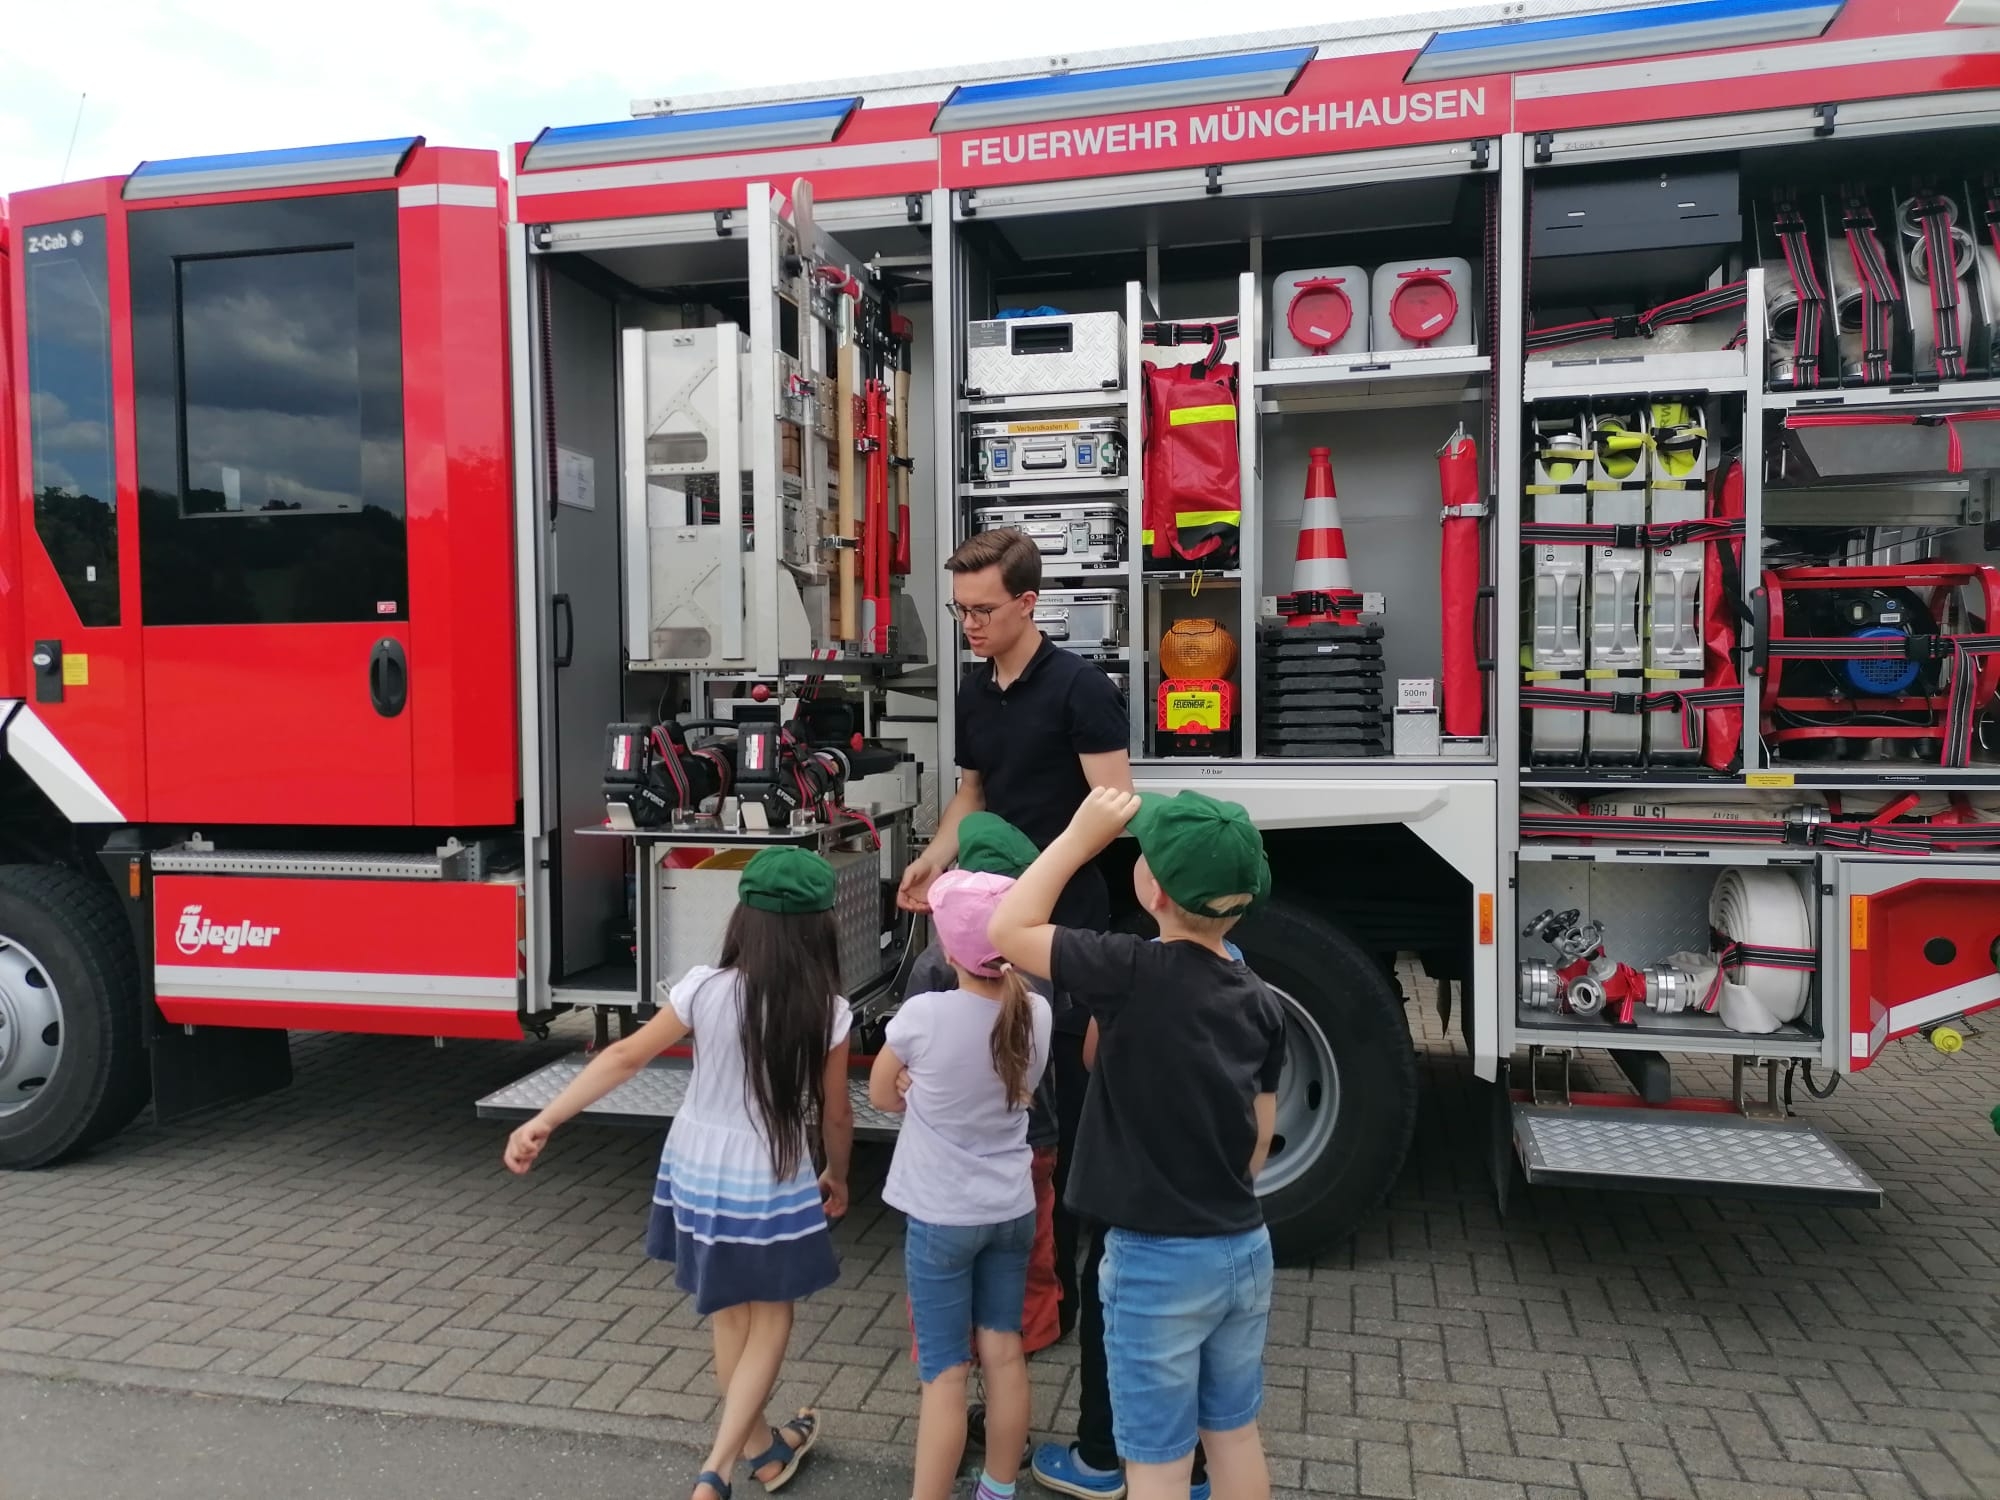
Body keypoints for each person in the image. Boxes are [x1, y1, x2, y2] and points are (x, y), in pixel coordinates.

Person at [503, 847, 854, 1500]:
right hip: (768, 1168)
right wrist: (838, 1172)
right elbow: (835, 1112)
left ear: (743, 921)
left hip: (695, 1166)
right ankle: (717, 1468)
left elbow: (625, 1056)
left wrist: (544, 1119)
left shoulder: (703, 986)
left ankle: (766, 1453)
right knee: (772, 1317)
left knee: (727, 1314)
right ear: (820, 930)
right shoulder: (829, 1010)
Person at [895, 526, 1132, 1484]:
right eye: (960, 613)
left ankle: (1056, 1309)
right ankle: (1014, 1319)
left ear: (1030, 603)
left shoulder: (1083, 688)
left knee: (1059, 1141)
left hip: (1057, 936)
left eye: (984, 611)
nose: (970, 628)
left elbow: (1113, 804)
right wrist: (936, 853)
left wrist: (1027, 892)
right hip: (985, 931)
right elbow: (973, 792)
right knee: (1004, 1128)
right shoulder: (973, 685)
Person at [990, 788, 1286, 1500]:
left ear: (1149, 887)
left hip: (1156, 1262)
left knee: (1155, 1461)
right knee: (1233, 1434)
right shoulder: (1261, 999)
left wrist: (1076, 838)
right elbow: (1259, 1136)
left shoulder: (1128, 971)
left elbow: (1009, 927)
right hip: (1243, 1246)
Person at [871, 868, 1053, 1500]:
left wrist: (911, 1093)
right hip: (1011, 1206)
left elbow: (880, 1094)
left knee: (945, 1372)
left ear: (947, 951)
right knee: (1004, 1349)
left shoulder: (923, 1015)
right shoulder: (1038, 1011)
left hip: (942, 1216)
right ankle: (998, 1489)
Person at [901, 812, 1064, 1364]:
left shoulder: (931, 967)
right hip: (1033, 1137)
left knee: (945, 1257)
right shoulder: (1042, 964)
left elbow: (905, 1067)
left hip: (947, 1154)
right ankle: (1029, 1338)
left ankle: (949, 1347)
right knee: (1034, 1251)